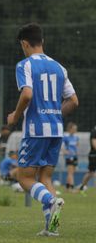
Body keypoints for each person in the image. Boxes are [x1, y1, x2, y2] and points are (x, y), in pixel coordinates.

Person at [7, 23, 79, 236]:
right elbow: (74, 101)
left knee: (24, 178)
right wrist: (55, 113)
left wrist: (15, 115)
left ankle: (51, 200)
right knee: (45, 178)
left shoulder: (25, 65)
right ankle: (51, 228)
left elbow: (27, 94)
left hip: (35, 130)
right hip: (57, 131)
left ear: (24, 43)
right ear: (42, 42)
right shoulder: (59, 67)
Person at [78, 125, 96, 196]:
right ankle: (82, 187)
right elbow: (94, 144)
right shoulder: (94, 131)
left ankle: (82, 187)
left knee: (91, 173)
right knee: (91, 172)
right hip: (93, 155)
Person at [62, 122, 79, 191]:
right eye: (74, 129)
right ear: (70, 129)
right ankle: (72, 187)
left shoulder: (76, 138)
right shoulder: (66, 137)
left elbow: (77, 146)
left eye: (76, 129)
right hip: (69, 157)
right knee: (70, 172)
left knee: (72, 172)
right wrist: (65, 151)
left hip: (75, 156)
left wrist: (77, 154)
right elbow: (62, 146)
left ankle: (67, 187)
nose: (75, 130)